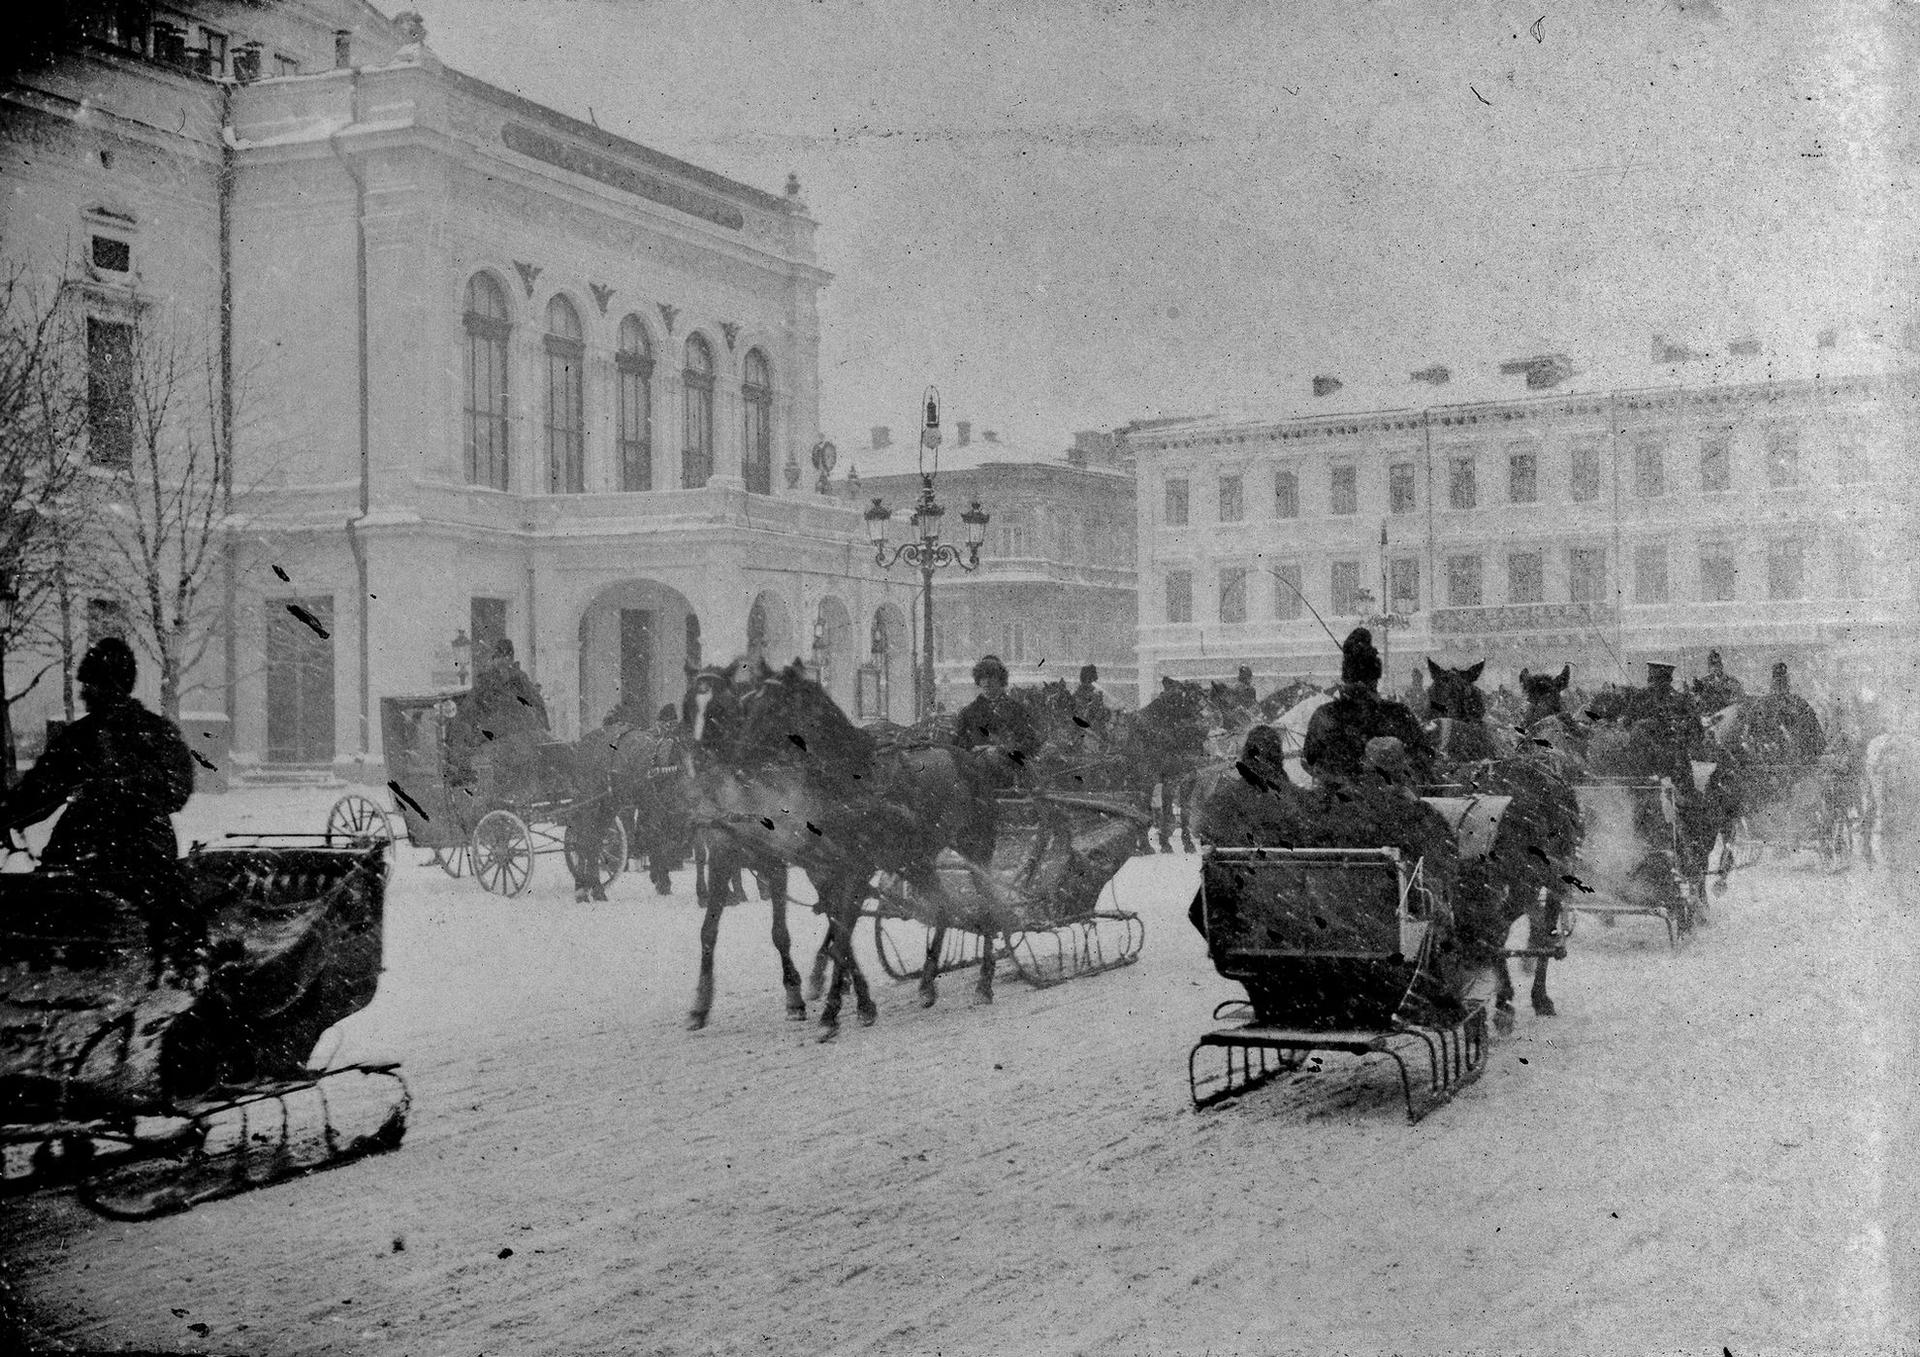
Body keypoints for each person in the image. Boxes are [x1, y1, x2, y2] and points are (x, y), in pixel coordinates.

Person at [2, 637, 198, 969]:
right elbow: (178, 788)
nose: (83, 694)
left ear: (108, 685)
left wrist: (117, 791)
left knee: (51, 905)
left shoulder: (86, 737)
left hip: (105, 844)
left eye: (89, 684)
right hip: (135, 845)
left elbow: (38, 793)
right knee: (170, 911)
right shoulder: (154, 732)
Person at [1303, 627, 1435, 788]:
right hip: (1392, 796)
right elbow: (1424, 756)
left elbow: (1310, 758)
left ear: (1345, 678)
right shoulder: (1398, 714)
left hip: (1340, 798)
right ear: (1376, 678)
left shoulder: (1325, 714)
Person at [951, 654, 1040, 862]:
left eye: (992, 679)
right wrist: (976, 750)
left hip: (1010, 772)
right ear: (979, 683)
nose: (987, 684)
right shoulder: (968, 713)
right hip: (977, 776)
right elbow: (957, 746)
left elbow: (1032, 742)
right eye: (983, 680)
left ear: (1001, 682)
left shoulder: (1017, 710)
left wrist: (1005, 750)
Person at [1692, 649, 1745, 713]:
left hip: (1727, 712)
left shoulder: (1731, 681)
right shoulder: (1703, 682)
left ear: (1721, 666)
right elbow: (1696, 701)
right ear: (1709, 668)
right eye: (1712, 665)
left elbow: (1739, 698)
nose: (1715, 668)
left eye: (1717, 664)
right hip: (1708, 714)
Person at [1071, 663, 1110, 737]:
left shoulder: (1094, 694)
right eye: (1092, 681)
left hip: (1090, 729)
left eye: (1094, 681)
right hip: (1087, 730)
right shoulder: (1082, 695)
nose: (1094, 683)